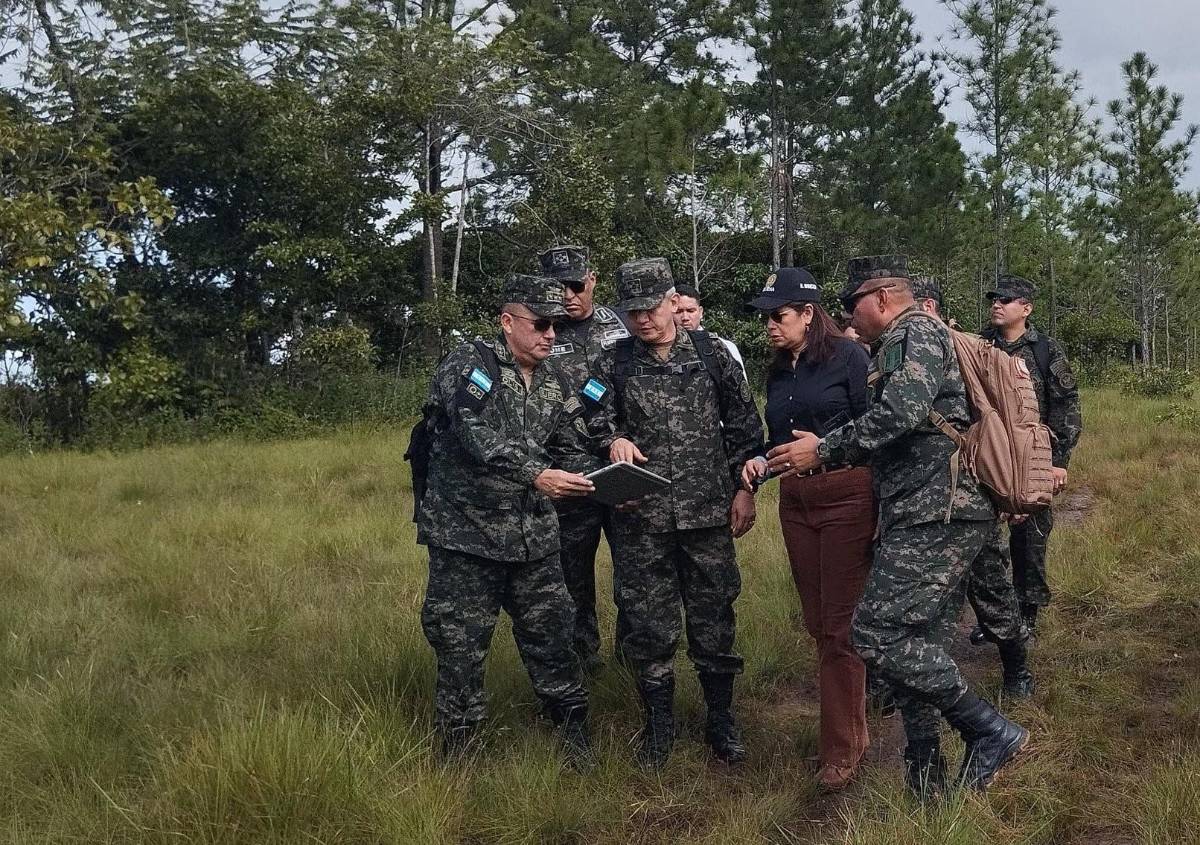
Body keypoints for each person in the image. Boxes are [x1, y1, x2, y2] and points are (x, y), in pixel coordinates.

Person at [766, 255, 1029, 797]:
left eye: (851, 303)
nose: (847, 316)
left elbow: (901, 414)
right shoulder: (912, 339)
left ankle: (987, 729)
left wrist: (825, 449)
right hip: (931, 506)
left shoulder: (912, 334)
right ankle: (924, 768)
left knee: (875, 632)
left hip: (938, 507)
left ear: (882, 297)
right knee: (918, 638)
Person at [416, 274, 601, 767]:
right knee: (461, 646)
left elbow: (571, 443)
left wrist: (607, 480)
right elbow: (473, 433)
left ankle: (572, 735)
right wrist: (537, 473)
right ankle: (459, 752)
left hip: (533, 539)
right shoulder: (470, 365)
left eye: (557, 326)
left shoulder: (554, 381)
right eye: (540, 324)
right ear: (507, 322)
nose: (550, 336)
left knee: (553, 636)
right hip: (467, 539)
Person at [594, 257, 764, 769]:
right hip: (641, 519)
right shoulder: (613, 362)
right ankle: (659, 727)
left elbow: (744, 430)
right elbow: (589, 418)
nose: (642, 319)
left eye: (651, 308)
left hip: (708, 515)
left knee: (715, 621)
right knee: (649, 626)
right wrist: (613, 439)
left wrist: (745, 489)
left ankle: (720, 720)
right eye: (633, 311)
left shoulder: (714, 356)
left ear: (673, 301)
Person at [740, 267, 876, 790]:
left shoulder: (849, 356)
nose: (769, 326)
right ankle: (851, 727)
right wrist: (756, 466)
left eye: (778, 316)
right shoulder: (779, 369)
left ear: (807, 314)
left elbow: (875, 430)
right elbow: (776, 438)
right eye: (765, 318)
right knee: (818, 621)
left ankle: (841, 749)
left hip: (846, 494)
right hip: (796, 501)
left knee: (841, 625)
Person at [912, 276, 1035, 699]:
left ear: (927, 305)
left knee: (991, 586)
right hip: (917, 496)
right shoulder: (892, 350)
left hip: (969, 490)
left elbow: (1008, 423)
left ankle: (1017, 665)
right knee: (923, 595)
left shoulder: (965, 349)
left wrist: (1013, 486)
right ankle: (922, 682)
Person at [538, 245, 631, 673]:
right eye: (559, 288)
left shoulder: (622, 324)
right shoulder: (542, 331)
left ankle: (634, 660)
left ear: (592, 279)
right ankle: (583, 664)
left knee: (632, 571)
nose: (569, 296)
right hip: (568, 467)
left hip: (620, 465)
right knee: (572, 576)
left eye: (576, 285)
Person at [981, 275, 1082, 633]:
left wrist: (1058, 463)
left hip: (1033, 458)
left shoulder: (1044, 350)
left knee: (1030, 541)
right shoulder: (981, 345)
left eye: (1006, 299)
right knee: (984, 541)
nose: (997, 303)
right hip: (989, 457)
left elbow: (1066, 406)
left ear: (1026, 308)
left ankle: (1028, 616)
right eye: (994, 297)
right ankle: (993, 615)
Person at [673, 283, 747, 377]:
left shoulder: (724, 347)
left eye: (690, 311)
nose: (685, 317)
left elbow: (741, 389)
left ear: (700, 312)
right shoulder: (661, 350)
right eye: (679, 312)